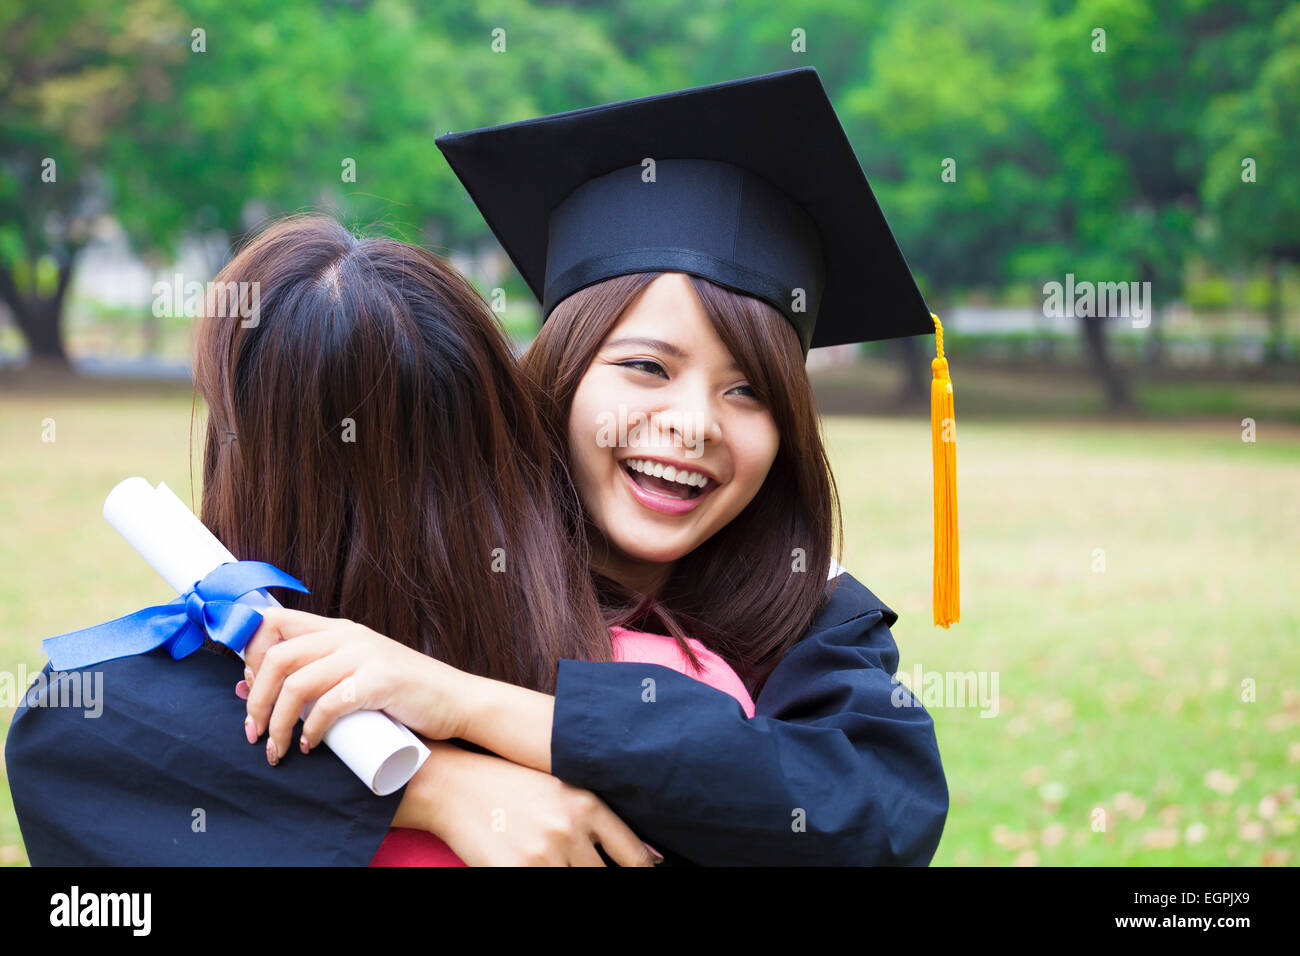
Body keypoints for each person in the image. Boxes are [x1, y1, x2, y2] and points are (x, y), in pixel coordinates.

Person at [240, 67, 950, 865]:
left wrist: (464, 704)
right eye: (647, 366)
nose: (692, 426)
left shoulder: (809, 614)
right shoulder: (439, 545)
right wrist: (433, 787)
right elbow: (161, 724)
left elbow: (871, 817)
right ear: (564, 370)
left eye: (748, 390)